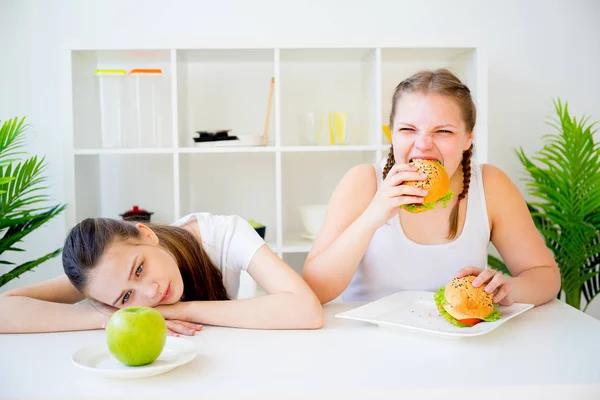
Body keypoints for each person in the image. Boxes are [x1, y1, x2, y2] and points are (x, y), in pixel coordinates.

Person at [302, 68, 561, 307]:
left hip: (460, 345)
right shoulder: (363, 182)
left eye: (443, 131)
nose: (423, 144)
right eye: (407, 129)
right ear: (392, 134)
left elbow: (545, 276)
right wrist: (371, 217)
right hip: (369, 343)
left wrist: (508, 290)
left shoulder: (491, 185)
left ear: (468, 138)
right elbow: (315, 289)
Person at [0, 212, 323, 334]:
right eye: (125, 297)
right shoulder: (99, 276)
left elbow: (305, 310)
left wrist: (181, 309)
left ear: (147, 234)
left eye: (139, 269)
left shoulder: (223, 233)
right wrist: (106, 319)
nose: (149, 293)